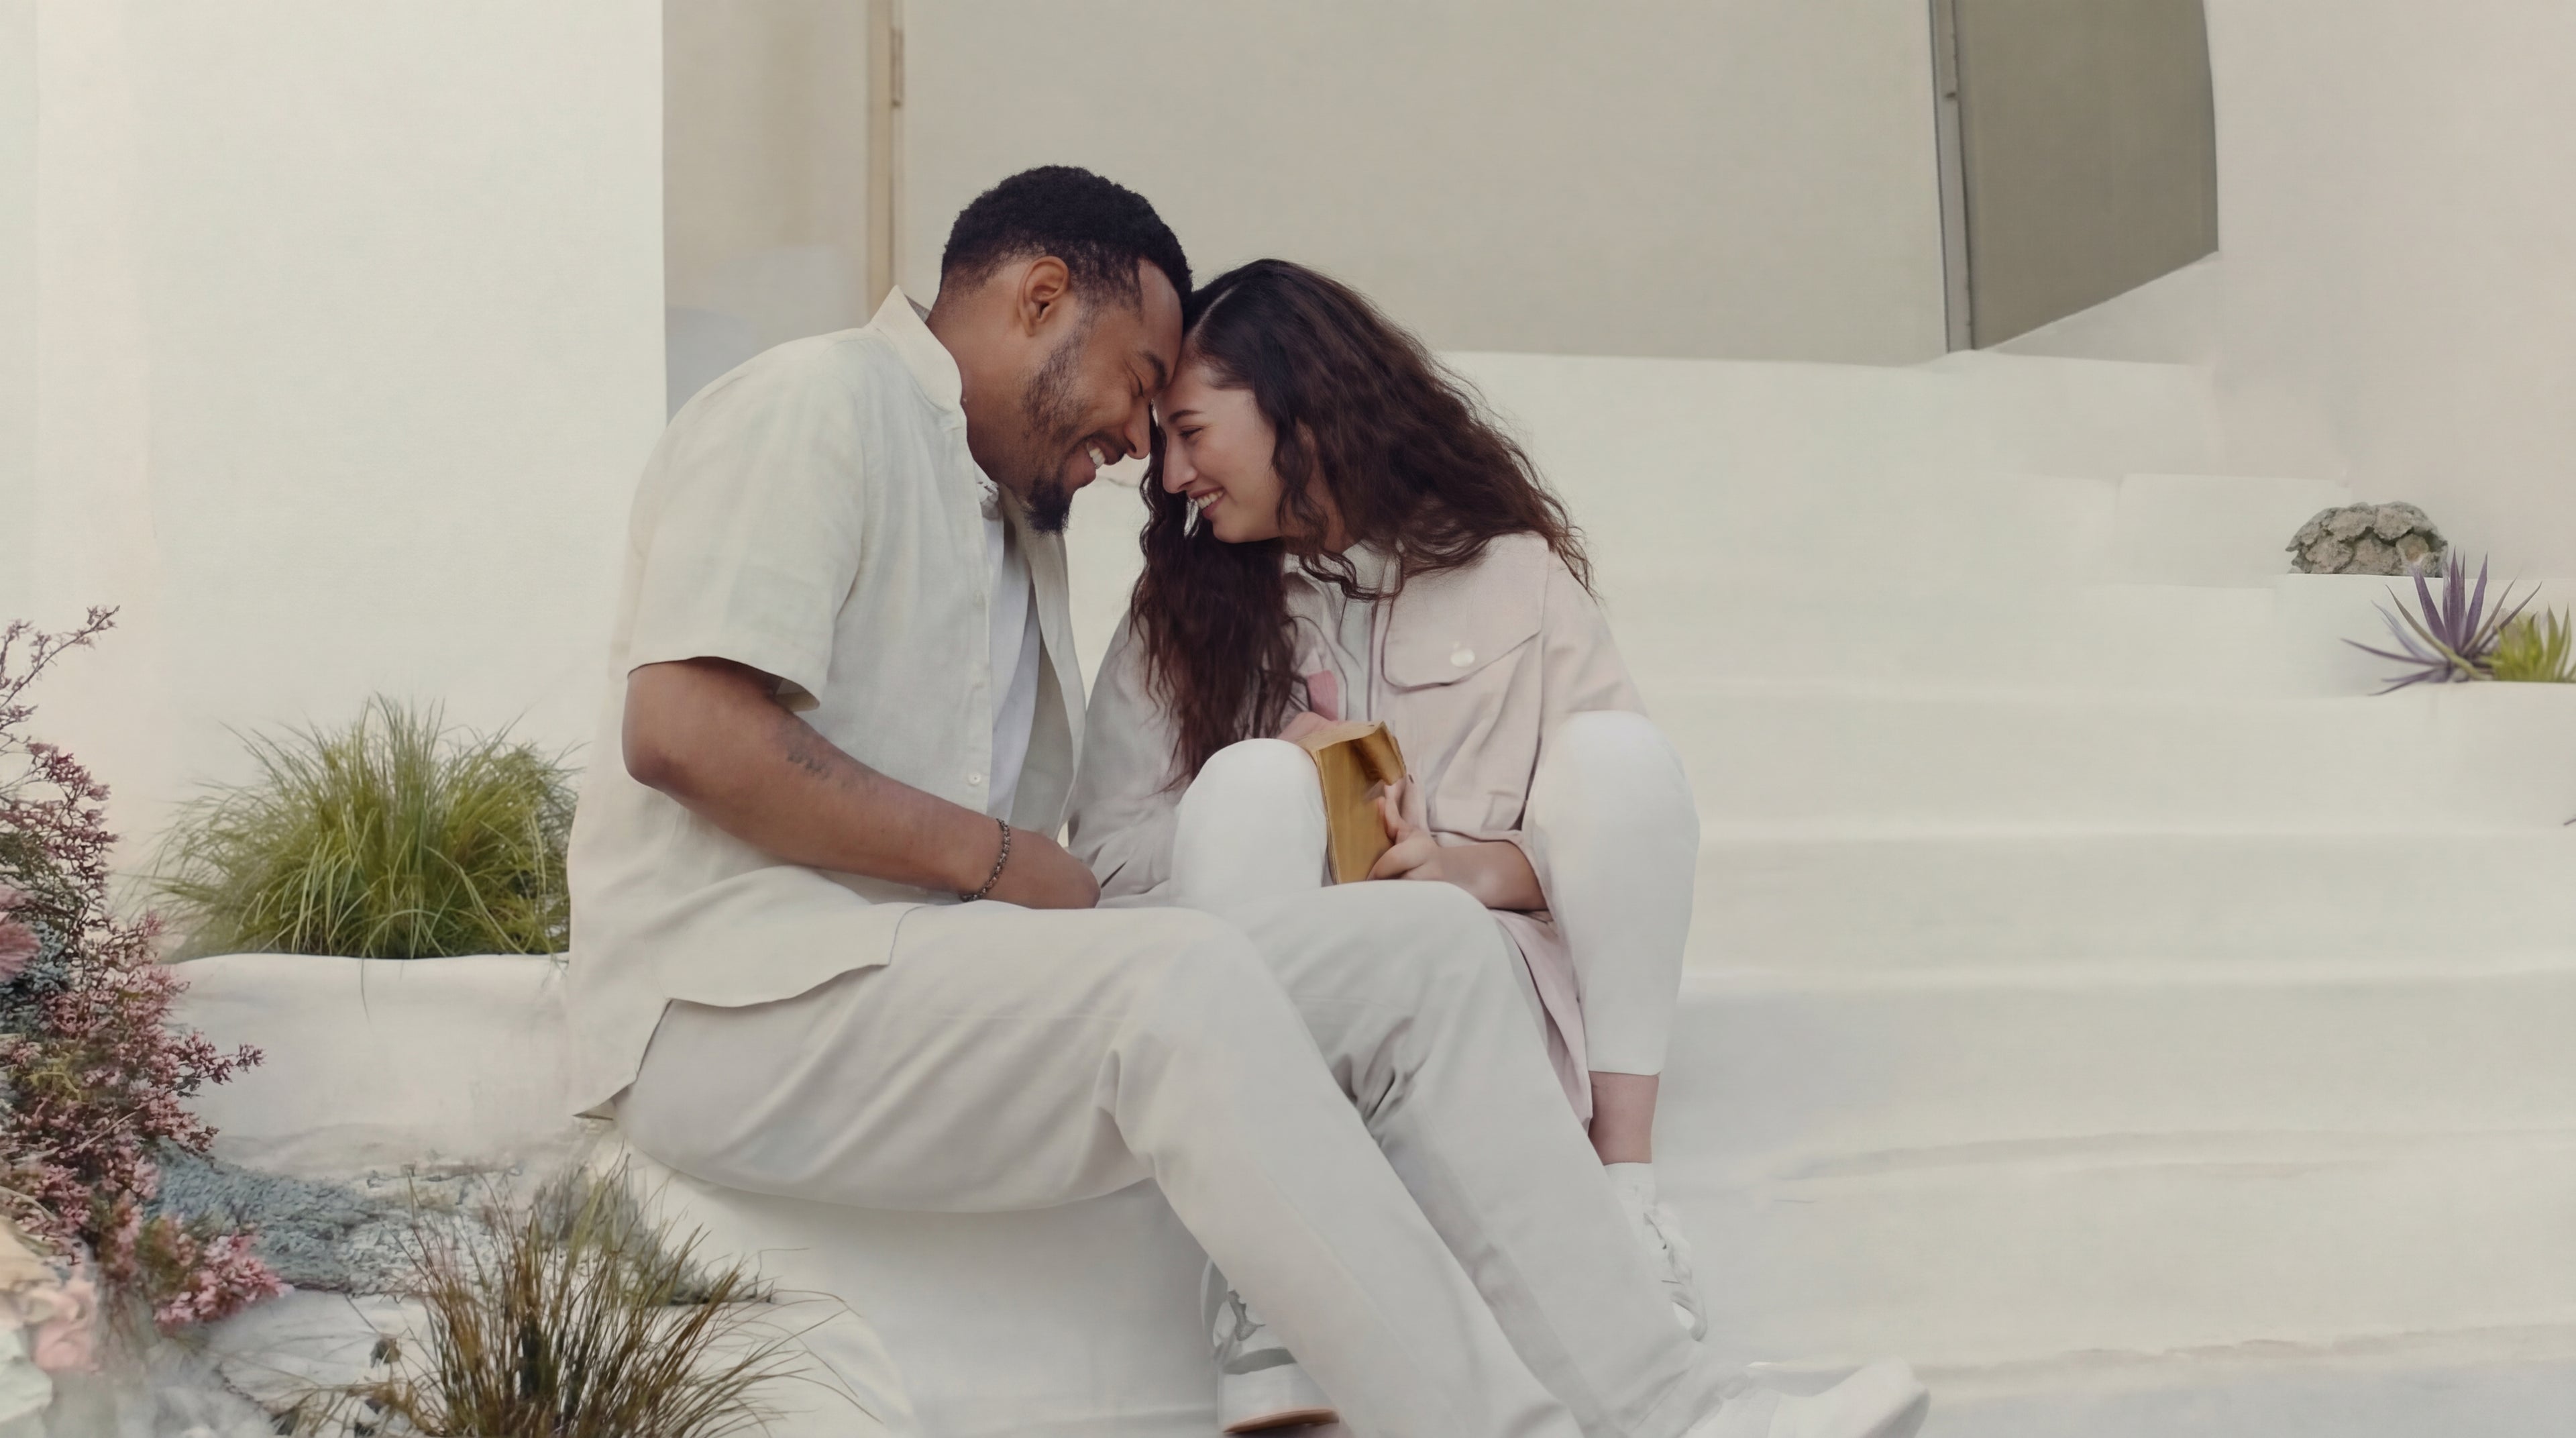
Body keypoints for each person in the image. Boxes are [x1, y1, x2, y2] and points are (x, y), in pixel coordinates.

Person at [569, 166, 1925, 1438]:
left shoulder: (1011, 521)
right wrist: (1002, 861)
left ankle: (1681, 1411)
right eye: (1138, 383)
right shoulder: (819, 403)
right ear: (1041, 297)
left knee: (1425, 951)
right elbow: (683, 728)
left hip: (923, 990)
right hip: (735, 1004)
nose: (1138, 446)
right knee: (1183, 975)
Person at [1069, 258, 1722, 1424]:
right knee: (1256, 781)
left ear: (1300, 408)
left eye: (1192, 433)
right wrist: (1281, 805)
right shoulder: (1178, 612)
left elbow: (1622, 829)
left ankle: (1624, 1200)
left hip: (1496, 1009)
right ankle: (1265, 1270)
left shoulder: (1512, 575)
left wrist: (1462, 873)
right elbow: (1107, 861)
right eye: (1161, 442)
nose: (1169, 476)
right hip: (1280, 1025)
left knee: (1623, 759)